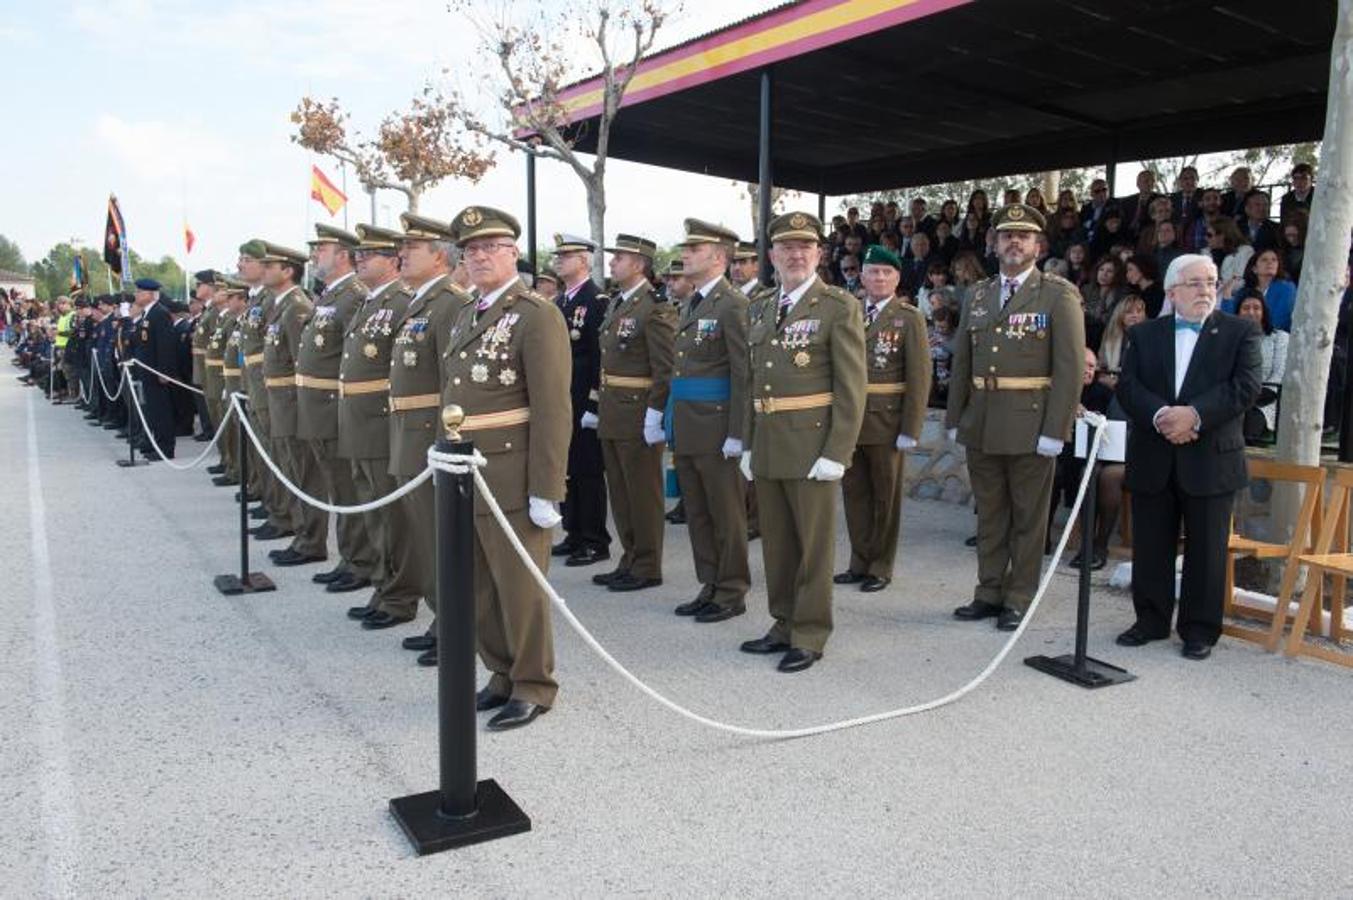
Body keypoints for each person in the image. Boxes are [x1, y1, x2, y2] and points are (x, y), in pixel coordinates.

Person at [441, 204, 572, 730]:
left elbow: (551, 406)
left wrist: (547, 486)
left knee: (519, 586)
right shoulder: (463, 312)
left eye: (490, 248)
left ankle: (533, 683)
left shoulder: (536, 314)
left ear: (513, 253)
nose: (479, 257)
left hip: (511, 474)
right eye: (470, 250)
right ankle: (500, 671)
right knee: (479, 586)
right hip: (465, 470)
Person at [1114, 253, 1262, 660]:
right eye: (1195, 283)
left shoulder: (1240, 332)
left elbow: (1246, 387)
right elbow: (1128, 387)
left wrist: (1194, 415)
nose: (1206, 290)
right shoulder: (1145, 335)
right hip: (1154, 453)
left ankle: (1199, 629)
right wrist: (1162, 415)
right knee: (1151, 544)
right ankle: (1150, 620)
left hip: (1212, 458)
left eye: (1212, 282)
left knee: (1207, 549)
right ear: (1172, 291)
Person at [947, 204, 1085, 631]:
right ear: (995, 243)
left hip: (1030, 423)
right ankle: (988, 591)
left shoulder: (1057, 294)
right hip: (982, 421)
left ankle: (1019, 596)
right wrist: (956, 416)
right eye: (1006, 234)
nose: (1013, 242)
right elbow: (963, 361)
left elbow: (1069, 367)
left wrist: (1056, 429)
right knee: (990, 514)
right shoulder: (980, 294)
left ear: (1037, 246)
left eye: (1022, 236)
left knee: (1028, 518)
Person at [738, 211, 865, 672]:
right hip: (769, 441)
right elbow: (751, 380)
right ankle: (783, 622)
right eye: (786, 247)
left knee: (813, 547)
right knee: (777, 544)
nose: (795, 254)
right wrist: (748, 442)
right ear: (771, 255)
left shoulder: (837, 306)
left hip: (813, 445)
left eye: (804, 247)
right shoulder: (761, 306)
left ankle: (810, 633)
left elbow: (852, 387)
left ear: (818, 254)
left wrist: (838, 452)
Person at [381, 213, 473, 635]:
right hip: (406, 429)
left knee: (439, 535)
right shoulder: (420, 301)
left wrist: (444, 443)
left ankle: (453, 625)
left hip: (429, 433)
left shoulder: (450, 302)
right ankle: (442, 618)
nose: (401, 254)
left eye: (412, 248)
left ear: (439, 256)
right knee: (422, 533)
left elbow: (450, 382)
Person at [668, 218, 751, 624]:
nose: (684, 255)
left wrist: (738, 432)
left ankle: (732, 590)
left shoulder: (732, 304)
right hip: (688, 424)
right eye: (686, 249)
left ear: (718, 257)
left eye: (694, 250)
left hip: (717, 427)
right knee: (698, 512)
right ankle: (710, 583)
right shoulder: (694, 301)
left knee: (726, 513)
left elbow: (743, 373)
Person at [836, 244, 930, 593]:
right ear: (861, 277)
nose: (878, 278)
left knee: (885, 498)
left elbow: (920, 377)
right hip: (850, 421)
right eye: (872, 272)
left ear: (897, 278)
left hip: (887, 422)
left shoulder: (909, 318)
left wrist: (911, 427)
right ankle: (858, 562)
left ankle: (880, 566)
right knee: (854, 494)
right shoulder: (848, 313)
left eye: (886, 272)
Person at [338, 225, 417, 628]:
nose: (360, 259)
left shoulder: (401, 301)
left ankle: (399, 596)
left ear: (391, 262)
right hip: (359, 421)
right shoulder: (371, 303)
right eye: (359, 254)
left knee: (391, 517)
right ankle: (385, 587)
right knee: (374, 513)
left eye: (370, 254)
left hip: (382, 422)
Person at [289, 224, 376, 589]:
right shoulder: (330, 296)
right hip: (319, 406)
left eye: (320, 249)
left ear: (343, 255)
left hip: (334, 405)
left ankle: (361, 561)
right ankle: (350, 556)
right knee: (338, 487)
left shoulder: (353, 295)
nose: (314, 255)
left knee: (348, 488)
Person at [593, 233, 676, 593]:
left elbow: (664, 367)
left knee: (642, 493)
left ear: (639, 264)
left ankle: (647, 564)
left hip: (638, 411)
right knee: (622, 493)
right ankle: (629, 557)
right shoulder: (618, 303)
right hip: (614, 411)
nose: (612, 263)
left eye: (620, 258)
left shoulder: (653, 307)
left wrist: (655, 414)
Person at [258, 242, 327, 565]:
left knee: (302, 472)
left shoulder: (297, 306)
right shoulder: (279, 305)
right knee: (289, 468)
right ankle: (301, 534)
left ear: (288, 271)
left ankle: (310, 540)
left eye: (269, 265)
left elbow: (304, 361)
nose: (262, 269)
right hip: (279, 398)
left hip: (292, 400)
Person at [550, 233, 612, 567]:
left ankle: (594, 539)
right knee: (567, 467)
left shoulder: (596, 300)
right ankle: (573, 532)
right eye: (558, 255)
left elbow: (601, 358)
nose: (559, 260)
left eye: (567, 255)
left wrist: (594, 403)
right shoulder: (560, 302)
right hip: (562, 399)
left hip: (583, 398)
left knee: (588, 471)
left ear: (585, 260)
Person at [237, 240, 294, 542]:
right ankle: (275, 508)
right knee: (268, 453)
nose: (240, 265)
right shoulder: (260, 300)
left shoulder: (278, 301)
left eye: (248, 260)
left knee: (279, 455)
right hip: (259, 384)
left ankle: (284, 514)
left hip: (275, 389)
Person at [129, 278, 180, 459]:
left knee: (161, 411)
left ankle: (166, 448)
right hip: (148, 370)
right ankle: (155, 444)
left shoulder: (160, 313)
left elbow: (165, 345)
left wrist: (164, 372)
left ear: (150, 294)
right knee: (152, 410)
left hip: (156, 372)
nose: (136, 295)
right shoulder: (147, 314)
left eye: (139, 292)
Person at [1234, 289, 1288, 441]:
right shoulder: (1229, 339)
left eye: (1256, 308)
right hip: (1233, 398)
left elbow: (1279, 374)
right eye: (1245, 308)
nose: (1251, 312)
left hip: (1266, 399)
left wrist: (1252, 396)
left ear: (1264, 312)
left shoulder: (1279, 338)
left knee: (1249, 424)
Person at [1223, 247, 1297, 331]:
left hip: (1275, 338)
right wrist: (1227, 294)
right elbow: (1229, 321)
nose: (1270, 262)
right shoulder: (1245, 291)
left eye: (1274, 260)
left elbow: (1281, 321)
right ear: (1254, 269)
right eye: (1264, 260)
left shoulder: (1287, 288)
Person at [1209, 217, 1254, 297]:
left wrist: (1219, 286)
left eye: (1209, 235)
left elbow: (1241, 281)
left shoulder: (1245, 251)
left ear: (1222, 236)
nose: (1206, 238)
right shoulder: (1208, 253)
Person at [1125, 254, 1164, 318]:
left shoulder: (1158, 292)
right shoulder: (1135, 292)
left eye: (1130, 269)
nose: (1127, 275)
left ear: (1141, 268)